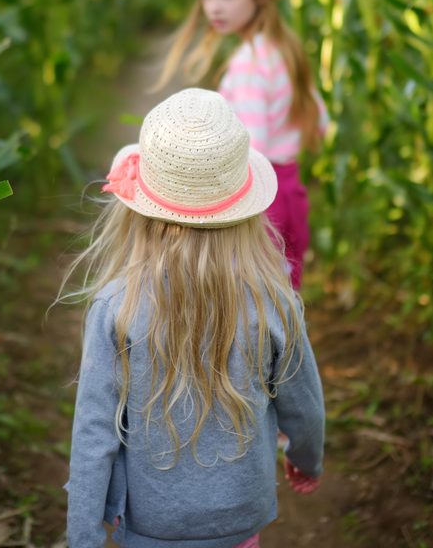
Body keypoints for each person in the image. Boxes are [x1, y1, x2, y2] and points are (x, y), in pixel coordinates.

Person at [63, 88, 325, 548]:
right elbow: (303, 406)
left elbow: (94, 433)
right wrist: (307, 460)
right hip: (241, 517)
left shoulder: (117, 305)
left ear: (140, 213)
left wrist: (83, 537)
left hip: (151, 524)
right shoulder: (275, 302)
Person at [155, 0, 329, 289]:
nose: (214, 6)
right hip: (291, 193)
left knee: (253, 306)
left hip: (262, 206)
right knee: (283, 300)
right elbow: (321, 122)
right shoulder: (284, 49)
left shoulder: (249, 64)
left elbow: (252, 153)